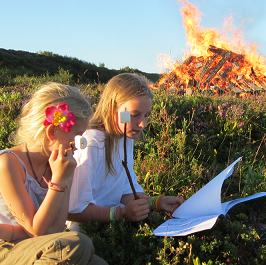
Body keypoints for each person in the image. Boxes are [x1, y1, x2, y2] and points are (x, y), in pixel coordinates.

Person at [0, 82, 111, 265]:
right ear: (52, 131)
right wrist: (59, 181)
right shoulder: (8, 164)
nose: (78, 145)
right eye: (77, 137)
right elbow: (37, 229)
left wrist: (62, 177)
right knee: (78, 245)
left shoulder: (58, 165)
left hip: (39, 250)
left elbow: (55, 230)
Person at [66, 73, 184, 227]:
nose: (142, 124)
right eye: (135, 115)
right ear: (112, 108)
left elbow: (126, 193)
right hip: (85, 230)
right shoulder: (91, 143)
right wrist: (121, 214)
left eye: (146, 115)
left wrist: (158, 203)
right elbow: (75, 210)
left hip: (113, 224)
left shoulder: (125, 138)